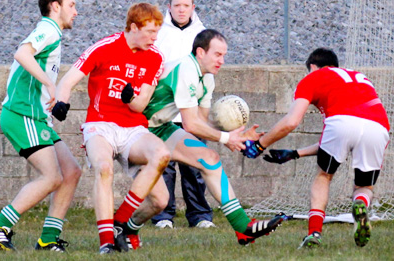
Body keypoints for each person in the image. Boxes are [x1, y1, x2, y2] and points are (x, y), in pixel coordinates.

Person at [119, 29, 286, 249]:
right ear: (200, 52)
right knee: (160, 201)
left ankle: (243, 227)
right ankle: (124, 227)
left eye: (224, 55)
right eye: (217, 55)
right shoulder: (186, 68)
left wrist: (236, 135)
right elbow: (190, 124)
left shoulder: (207, 78)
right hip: (137, 130)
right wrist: (226, 138)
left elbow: (201, 122)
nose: (222, 61)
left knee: (210, 157)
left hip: (161, 128)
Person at [53, 2, 171, 254]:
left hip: (133, 129)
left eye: (157, 32)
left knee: (161, 197)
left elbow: (140, 106)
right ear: (133, 27)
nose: (154, 38)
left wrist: (130, 99)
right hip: (101, 126)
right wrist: (62, 101)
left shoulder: (156, 57)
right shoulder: (105, 47)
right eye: (150, 32)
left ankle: (123, 223)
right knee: (104, 169)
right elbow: (68, 79)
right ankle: (107, 241)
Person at [242, 48, 390, 248]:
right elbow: (349, 131)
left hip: (340, 122)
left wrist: (259, 146)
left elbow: (291, 122)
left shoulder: (314, 77)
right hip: (378, 126)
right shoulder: (359, 77)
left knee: (323, 176)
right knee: (364, 187)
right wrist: (295, 153)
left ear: (312, 67)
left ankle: (314, 233)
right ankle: (361, 204)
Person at [0, 0, 82, 252]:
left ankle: (48, 239)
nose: (76, 11)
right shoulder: (48, 29)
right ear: (55, 6)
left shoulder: (54, 33)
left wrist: (54, 100)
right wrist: (49, 83)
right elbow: (22, 53)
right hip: (21, 114)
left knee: (71, 171)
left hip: (36, 117)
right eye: (71, 5)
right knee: (51, 177)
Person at [151, 0, 214, 229]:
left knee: (194, 167)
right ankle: (163, 216)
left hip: (191, 111)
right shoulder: (158, 33)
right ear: (169, 7)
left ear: (192, 7)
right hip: (163, 112)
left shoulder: (203, 34)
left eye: (185, 5)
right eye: (176, 5)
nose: (181, 10)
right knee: (163, 166)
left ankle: (200, 216)